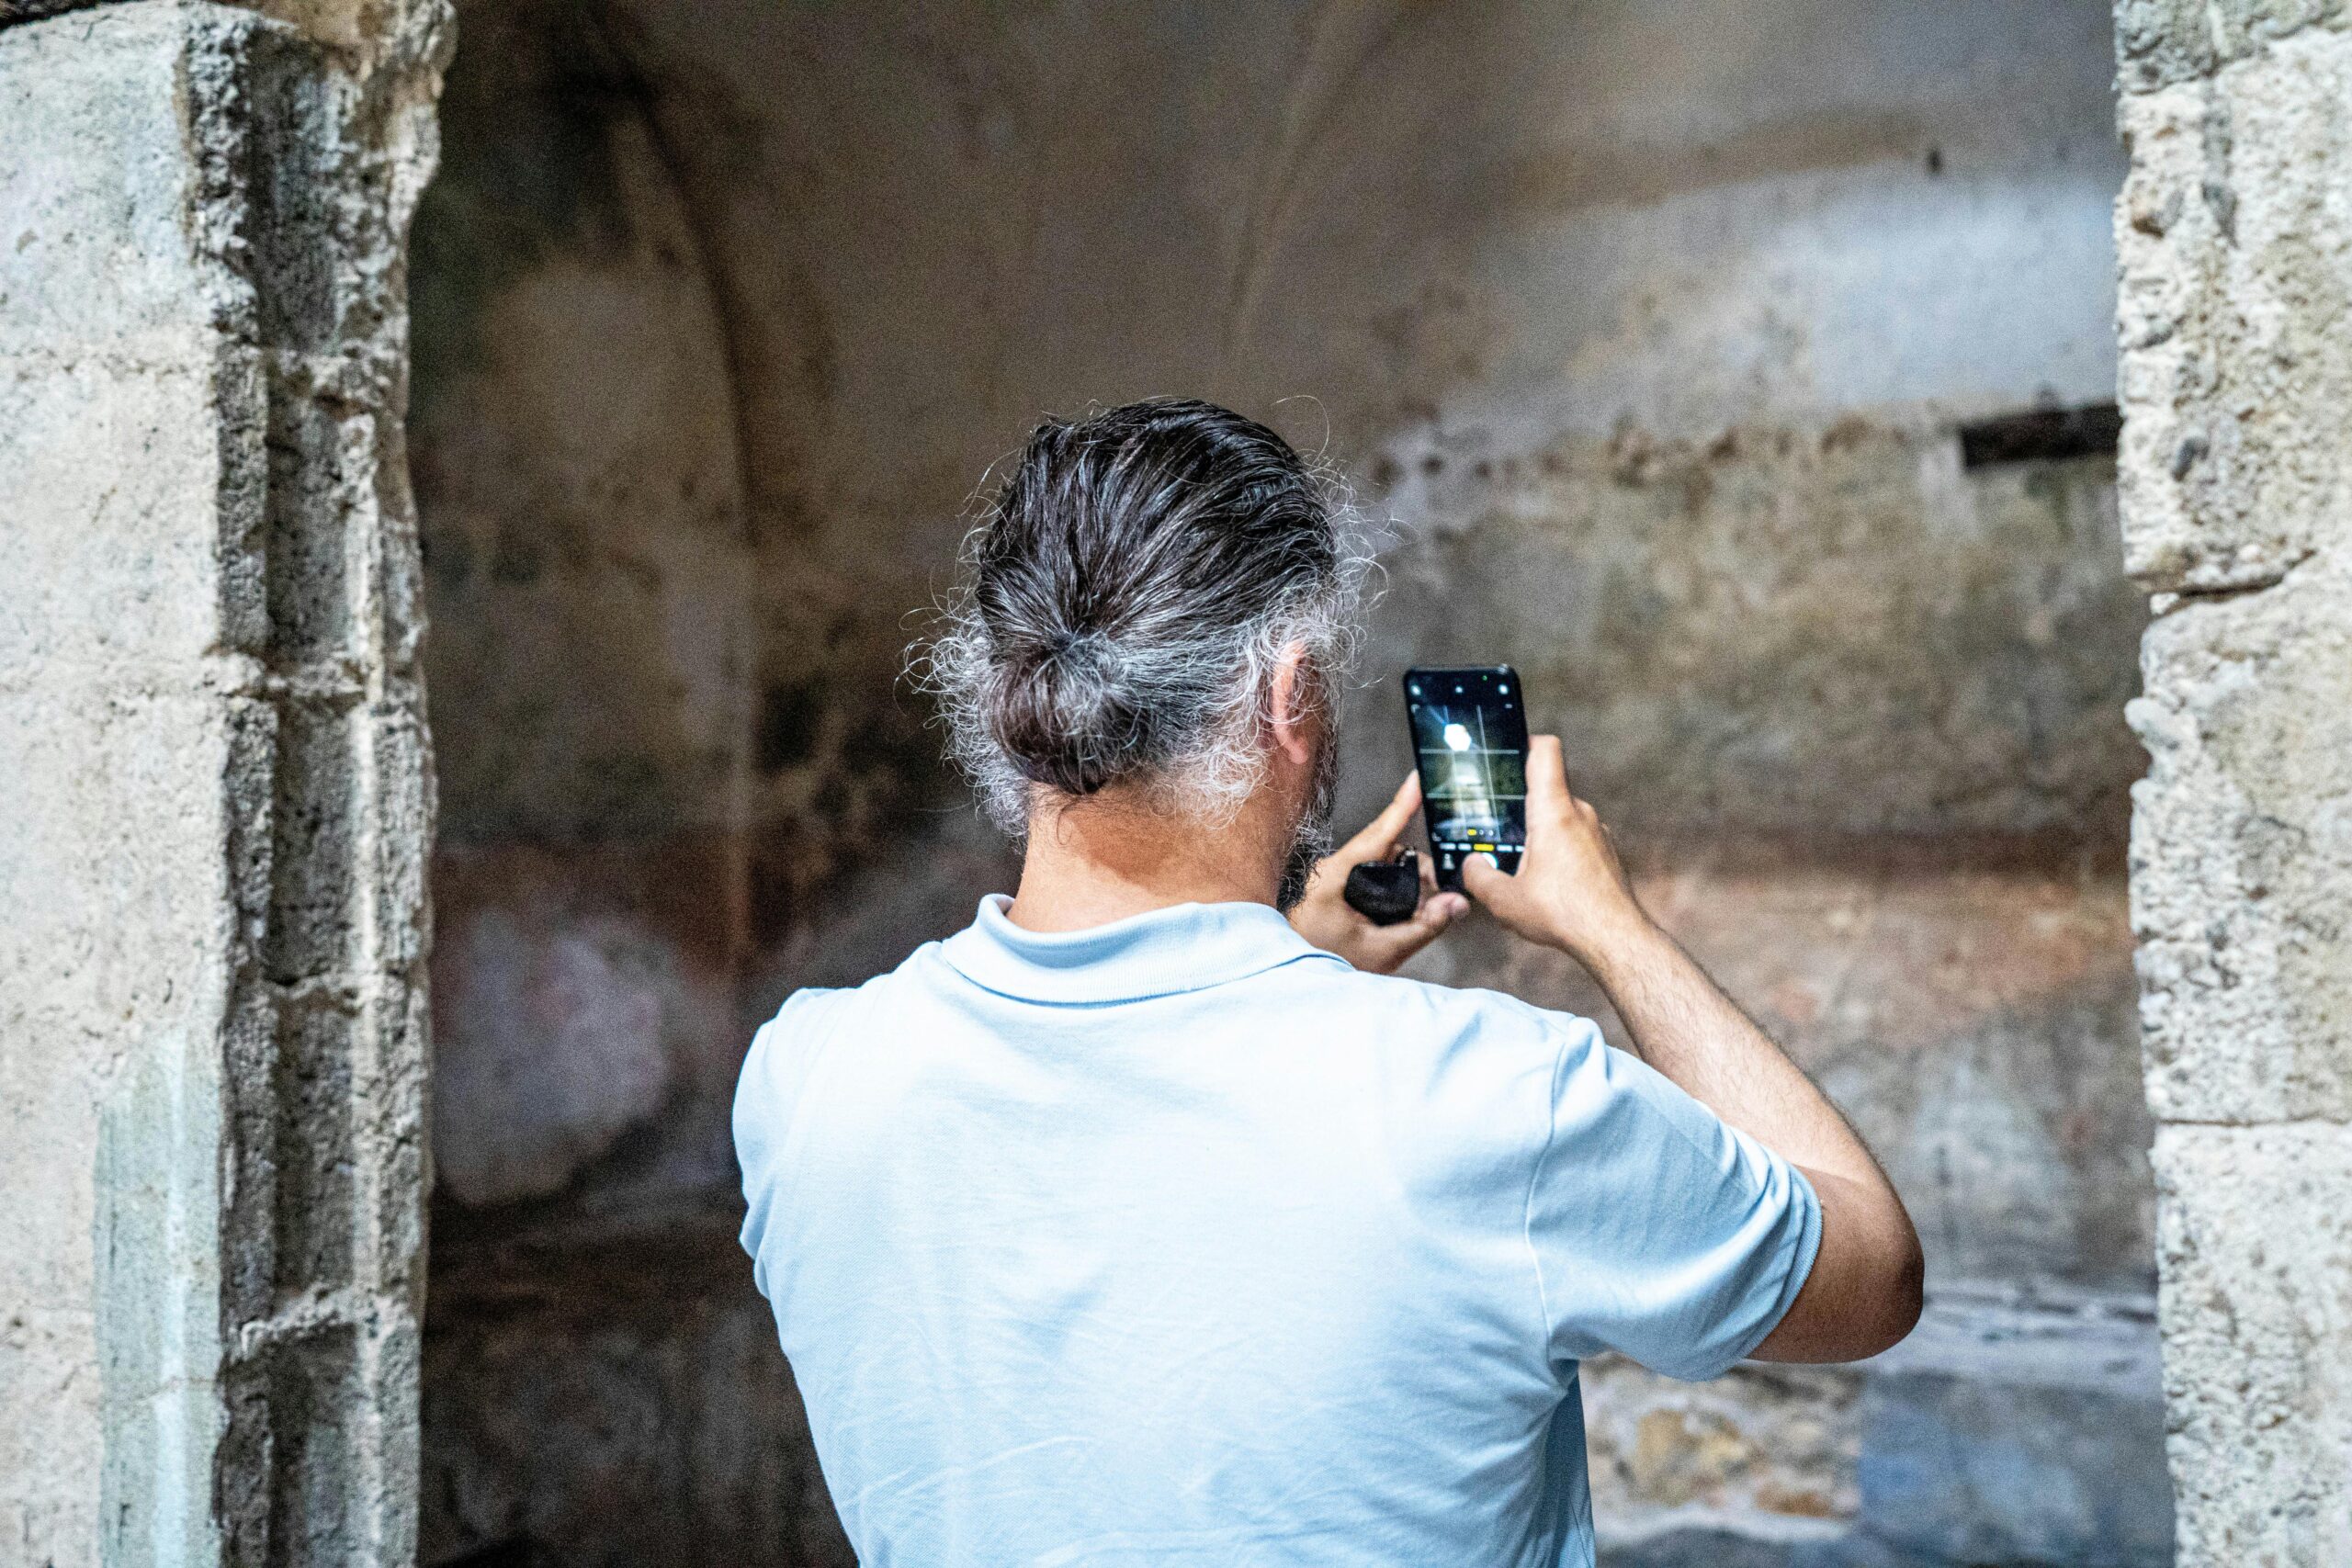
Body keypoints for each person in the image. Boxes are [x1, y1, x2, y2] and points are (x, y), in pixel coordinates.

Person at [734, 399, 1923, 1567]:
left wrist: (1296, 959)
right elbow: (1871, 1275)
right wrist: (1614, 930)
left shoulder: (806, 1082)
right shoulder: (1492, 1100)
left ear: (1009, 706)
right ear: (1288, 694)